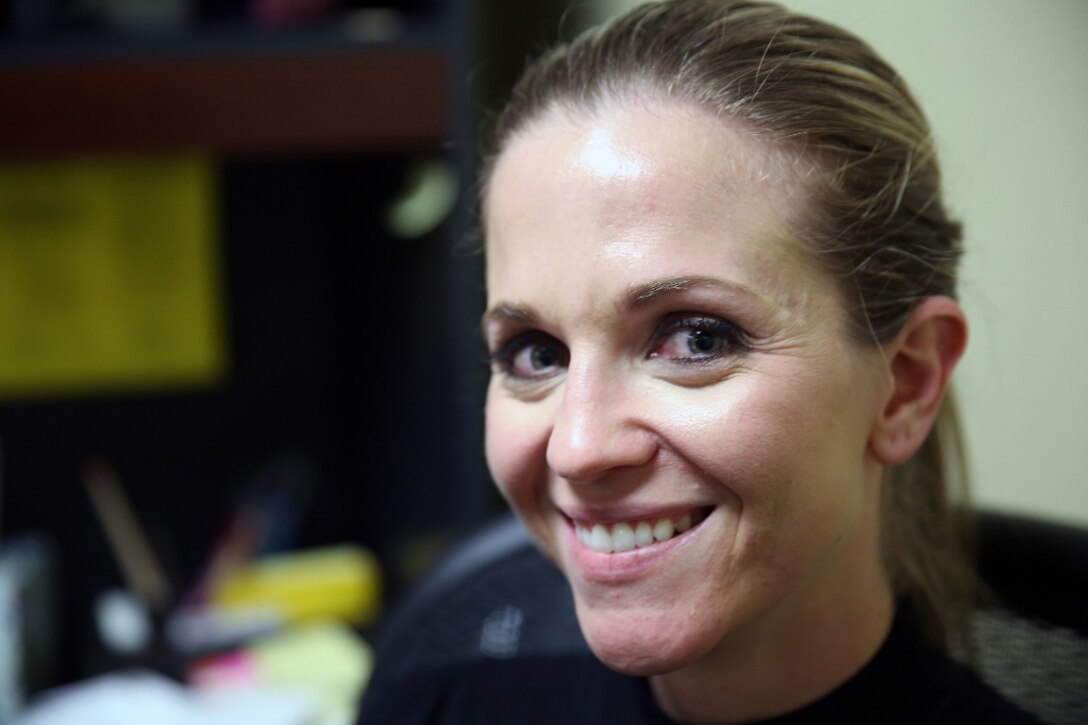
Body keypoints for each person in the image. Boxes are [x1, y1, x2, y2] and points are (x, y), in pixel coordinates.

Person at [359, 1, 1044, 722]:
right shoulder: (435, 709)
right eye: (537, 353)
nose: (579, 447)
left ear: (906, 383)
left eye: (696, 339)